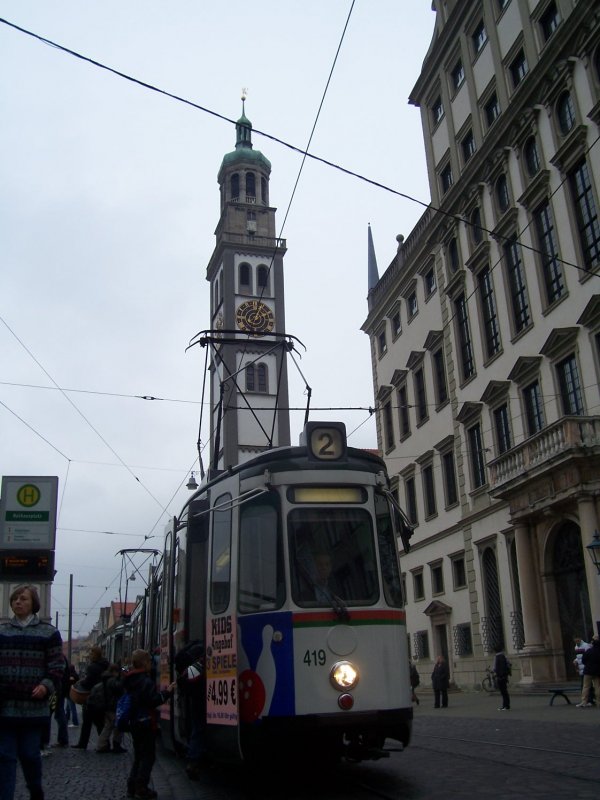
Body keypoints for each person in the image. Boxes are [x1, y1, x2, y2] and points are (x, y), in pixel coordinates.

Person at [0, 584, 64, 800]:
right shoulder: (2, 632)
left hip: (34, 708)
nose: (18, 602)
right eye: (15, 599)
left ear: (33, 604)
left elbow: (57, 666)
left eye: (23, 598)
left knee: (29, 755)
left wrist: (46, 686)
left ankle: (35, 790)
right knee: (5, 757)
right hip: (5, 707)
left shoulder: (49, 633)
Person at [122, 649, 176, 799]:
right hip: (146, 722)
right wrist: (167, 692)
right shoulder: (145, 681)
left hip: (134, 723)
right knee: (148, 757)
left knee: (138, 756)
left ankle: (131, 786)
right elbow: (153, 700)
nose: (151, 665)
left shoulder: (130, 679)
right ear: (145, 663)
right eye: (149, 662)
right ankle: (142, 787)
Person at [174, 641, 206, 779]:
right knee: (198, 728)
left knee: (197, 728)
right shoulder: (199, 666)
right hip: (201, 699)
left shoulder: (190, 665)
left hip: (194, 699)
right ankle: (193, 760)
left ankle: (193, 760)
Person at [71, 645, 108, 749]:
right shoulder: (106, 665)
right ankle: (105, 743)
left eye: (91, 653)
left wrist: (81, 683)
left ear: (95, 655)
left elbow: (88, 683)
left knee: (87, 722)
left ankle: (83, 743)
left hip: (91, 696)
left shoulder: (92, 667)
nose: (90, 655)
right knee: (100, 722)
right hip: (102, 697)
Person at [95, 664, 126, 753]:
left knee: (108, 726)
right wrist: (123, 678)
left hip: (109, 706)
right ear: (114, 672)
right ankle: (114, 745)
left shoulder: (106, 678)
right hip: (113, 706)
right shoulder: (111, 680)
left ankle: (102, 745)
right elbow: (119, 687)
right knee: (116, 726)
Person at [50, 655, 70, 748]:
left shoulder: (59, 658)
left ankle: (62, 739)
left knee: (55, 714)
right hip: (60, 691)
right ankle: (63, 739)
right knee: (59, 713)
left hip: (55, 692)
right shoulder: (63, 658)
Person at [578, 635, 600, 708]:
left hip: (588, 671)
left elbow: (583, 660)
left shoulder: (589, 651)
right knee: (597, 687)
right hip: (597, 671)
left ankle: (584, 701)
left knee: (586, 686)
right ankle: (599, 702)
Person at [493, 645, 511, 711]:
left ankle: (504, 706)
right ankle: (507, 705)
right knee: (505, 692)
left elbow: (494, 667)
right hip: (504, 676)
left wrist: (494, 672)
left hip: (500, 676)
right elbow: (509, 664)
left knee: (503, 692)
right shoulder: (504, 656)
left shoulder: (496, 657)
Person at [65, 662, 80, 727]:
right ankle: (66, 719)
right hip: (73, 693)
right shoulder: (76, 675)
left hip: (69, 693)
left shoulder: (69, 676)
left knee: (72, 707)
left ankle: (75, 722)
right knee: (68, 707)